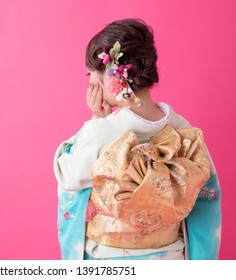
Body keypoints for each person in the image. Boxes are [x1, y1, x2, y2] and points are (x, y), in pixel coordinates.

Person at [53, 18, 221, 260]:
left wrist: (94, 120)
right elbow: (207, 195)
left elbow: (67, 176)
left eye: (91, 75)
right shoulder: (183, 129)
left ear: (111, 78)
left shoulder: (100, 131)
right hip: (170, 259)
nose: (90, 84)